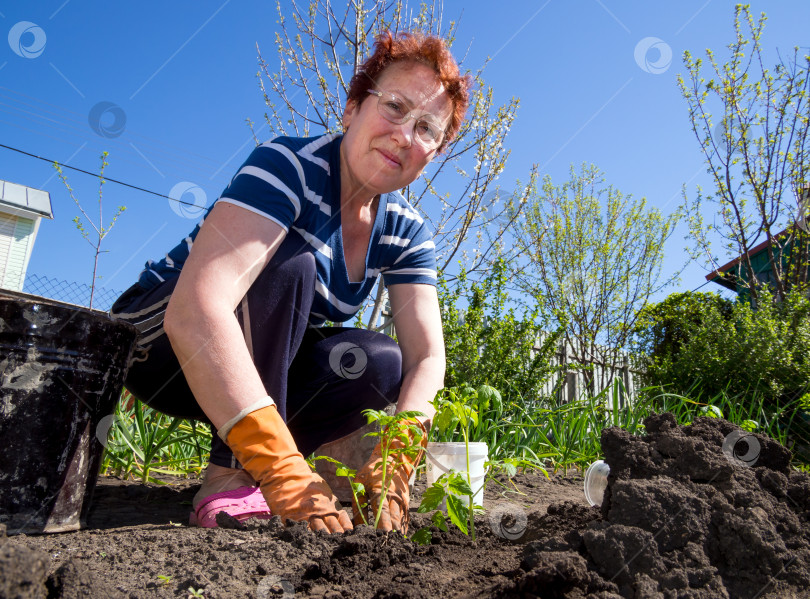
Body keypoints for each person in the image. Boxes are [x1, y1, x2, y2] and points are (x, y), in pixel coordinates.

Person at [110, 30, 471, 534]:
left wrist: (398, 457)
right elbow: (197, 308)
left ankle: (278, 463)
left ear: (435, 152)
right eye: (393, 107)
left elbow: (428, 356)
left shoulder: (406, 232)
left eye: (428, 128)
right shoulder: (290, 166)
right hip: (160, 344)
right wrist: (280, 467)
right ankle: (233, 478)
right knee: (290, 262)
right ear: (351, 109)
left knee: (381, 361)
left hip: (250, 368)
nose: (405, 135)